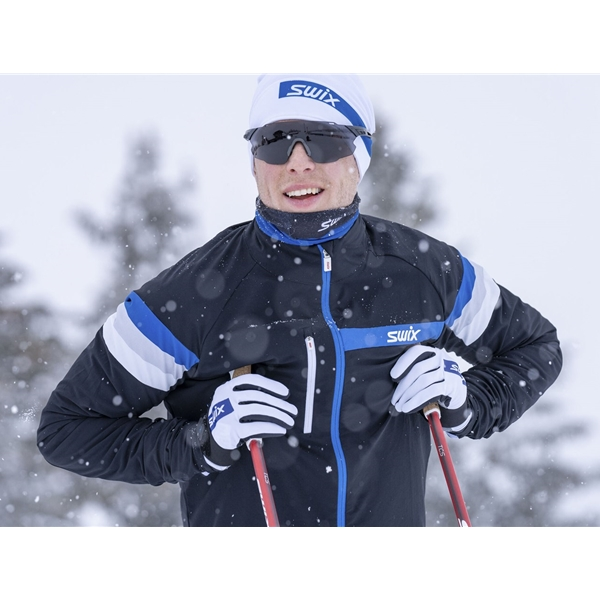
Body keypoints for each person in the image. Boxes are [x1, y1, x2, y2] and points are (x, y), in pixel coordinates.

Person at [37, 74, 562, 527]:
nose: (298, 162)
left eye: (324, 140)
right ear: (254, 162)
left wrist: (468, 402)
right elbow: (67, 430)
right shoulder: (193, 293)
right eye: (275, 141)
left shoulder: (425, 272)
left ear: (360, 156)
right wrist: (202, 441)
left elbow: (536, 347)